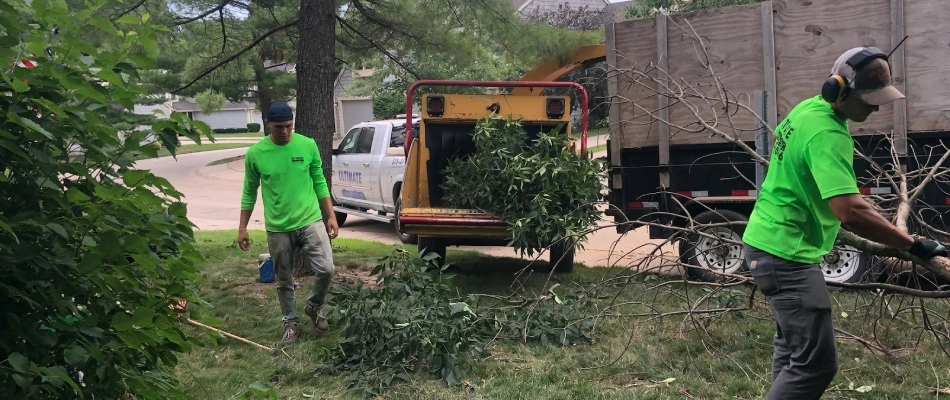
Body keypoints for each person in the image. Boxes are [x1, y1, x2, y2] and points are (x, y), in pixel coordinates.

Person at [742, 47, 948, 399]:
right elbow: (850, 211)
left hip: (768, 243)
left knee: (793, 352)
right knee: (814, 365)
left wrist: (803, 194)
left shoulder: (807, 109)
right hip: (786, 256)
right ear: (836, 89)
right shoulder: (828, 133)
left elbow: (779, 139)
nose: (875, 106)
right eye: (867, 98)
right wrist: (910, 243)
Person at [237, 102, 339, 345]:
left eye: (289, 126)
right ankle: (290, 323)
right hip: (278, 227)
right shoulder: (256, 154)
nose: (284, 131)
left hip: (310, 219)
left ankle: (314, 307)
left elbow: (319, 182)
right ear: (268, 125)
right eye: (279, 127)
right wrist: (243, 227)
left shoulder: (307, 145)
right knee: (284, 279)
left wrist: (331, 215)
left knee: (327, 268)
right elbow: (249, 191)